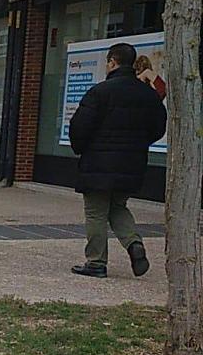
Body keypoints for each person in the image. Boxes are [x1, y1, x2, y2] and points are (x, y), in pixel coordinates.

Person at [67, 42, 167, 278]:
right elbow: (158, 128)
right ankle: (134, 244)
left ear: (112, 61)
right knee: (118, 206)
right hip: (132, 163)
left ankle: (96, 262)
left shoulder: (100, 92)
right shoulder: (148, 95)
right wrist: (137, 144)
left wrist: (81, 148)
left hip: (98, 163)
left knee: (96, 212)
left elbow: (80, 126)